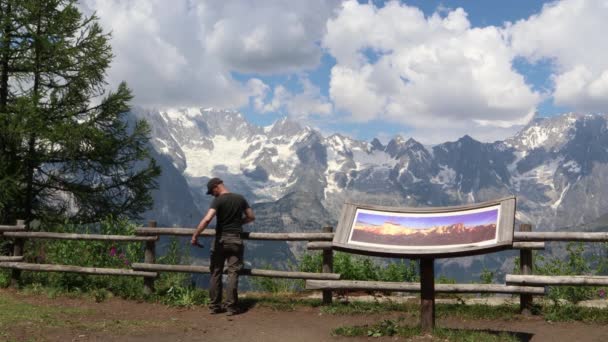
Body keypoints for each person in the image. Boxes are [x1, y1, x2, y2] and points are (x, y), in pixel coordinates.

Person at [191, 177, 255, 316]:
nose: (212, 194)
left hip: (220, 240)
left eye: (211, 191)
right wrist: (238, 223)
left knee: (216, 272)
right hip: (235, 240)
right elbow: (251, 216)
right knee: (233, 273)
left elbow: (207, 219)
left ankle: (215, 306)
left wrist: (196, 235)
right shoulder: (240, 198)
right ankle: (231, 307)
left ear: (216, 187)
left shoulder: (218, 200)